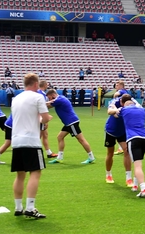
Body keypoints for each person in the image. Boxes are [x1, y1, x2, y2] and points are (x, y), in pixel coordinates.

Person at [10, 73, 52, 218]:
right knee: (35, 172)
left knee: (20, 174)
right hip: (31, 141)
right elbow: (45, 118)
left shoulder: (16, 99)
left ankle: (18, 207)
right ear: (36, 84)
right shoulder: (38, 97)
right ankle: (30, 207)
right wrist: (46, 119)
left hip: (16, 140)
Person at [112, 95, 145, 197]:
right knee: (138, 162)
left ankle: (143, 189)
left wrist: (114, 106)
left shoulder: (124, 110)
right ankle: (135, 185)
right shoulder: (142, 110)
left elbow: (115, 113)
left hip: (133, 138)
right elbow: (138, 105)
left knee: (137, 166)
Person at [45, 89, 95, 164]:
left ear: (53, 95)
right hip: (68, 123)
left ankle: (91, 157)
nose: (49, 99)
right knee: (60, 137)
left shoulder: (59, 100)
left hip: (71, 122)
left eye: (49, 97)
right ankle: (60, 158)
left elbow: (48, 106)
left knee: (81, 139)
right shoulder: (60, 98)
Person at [104, 98, 132, 185]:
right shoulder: (115, 103)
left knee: (126, 151)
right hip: (111, 131)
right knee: (110, 153)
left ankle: (128, 178)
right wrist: (116, 110)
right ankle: (108, 174)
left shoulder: (131, 106)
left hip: (123, 132)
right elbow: (109, 111)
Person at [38, 80, 58, 159]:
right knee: (39, 135)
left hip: (38, 116)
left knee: (44, 134)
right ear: (45, 85)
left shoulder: (37, 92)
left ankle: (48, 152)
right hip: (40, 117)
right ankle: (34, 151)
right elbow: (42, 107)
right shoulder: (42, 94)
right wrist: (44, 119)